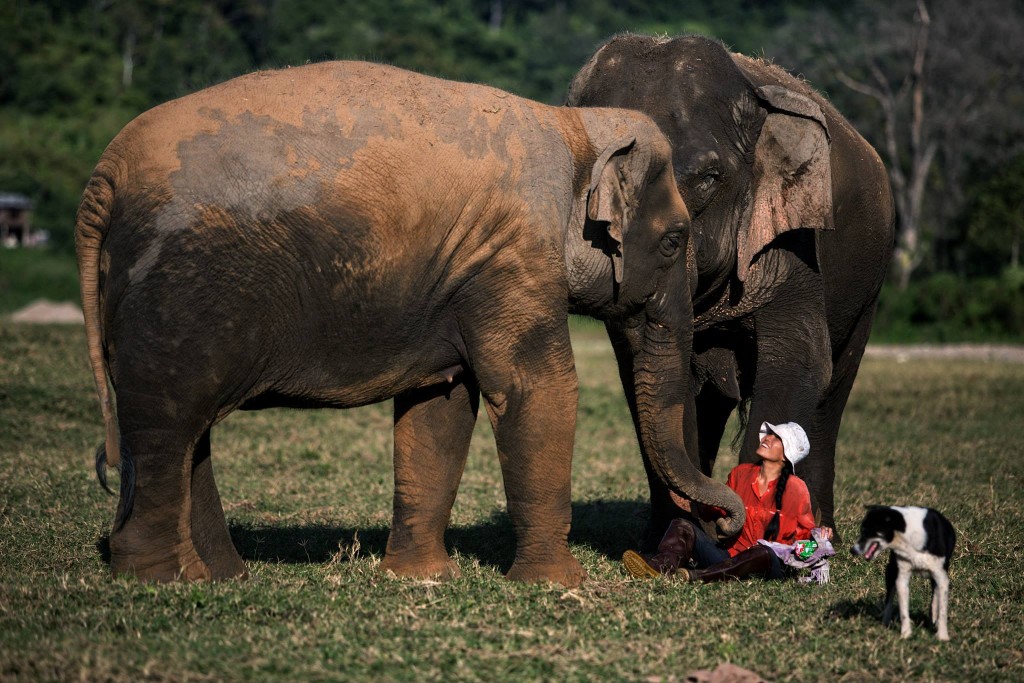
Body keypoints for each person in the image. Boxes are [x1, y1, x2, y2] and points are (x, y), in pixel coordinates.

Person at [622, 421, 834, 583]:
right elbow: (716, 511)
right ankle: (659, 567)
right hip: (726, 557)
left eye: (776, 438)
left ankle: (698, 576)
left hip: (766, 565)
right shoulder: (740, 474)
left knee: (763, 551)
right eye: (769, 434)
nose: (767, 438)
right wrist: (694, 503)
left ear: (787, 455)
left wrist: (820, 536)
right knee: (682, 525)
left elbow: (805, 536)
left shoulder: (796, 489)